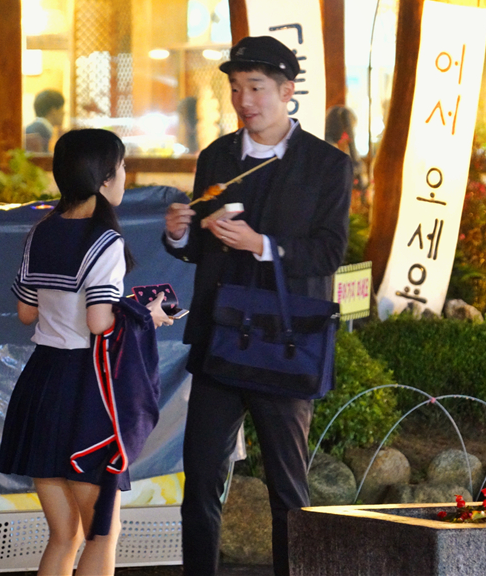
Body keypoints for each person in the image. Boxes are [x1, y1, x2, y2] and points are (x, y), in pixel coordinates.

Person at [163, 36, 352, 576]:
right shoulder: (217, 156)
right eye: (236, 87)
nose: (244, 99)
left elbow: (330, 251)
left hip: (284, 342)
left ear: (287, 92)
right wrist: (179, 236)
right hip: (221, 335)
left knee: (287, 489)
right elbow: (201, 250)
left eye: (256, 87)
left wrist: (262, 245)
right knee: (200, 479)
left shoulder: (326, 165)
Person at [0, 128, 173, 576]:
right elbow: (99, 323)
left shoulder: (40, 232)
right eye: (121, 167)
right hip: (86, 392)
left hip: (41, 384)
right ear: (102, 178)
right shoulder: (106, 243)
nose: (125, 176)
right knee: (100, 534)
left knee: (64, 536)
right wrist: (145, 316)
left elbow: (25, 311)